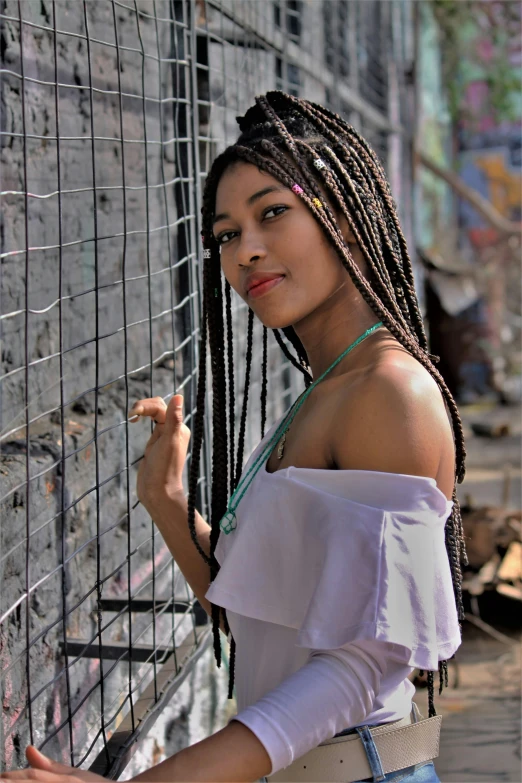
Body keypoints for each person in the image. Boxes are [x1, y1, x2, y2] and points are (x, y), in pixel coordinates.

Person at [8, 92, 467, 783]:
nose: (245, 249)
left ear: (340, 213)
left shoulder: (388, 393)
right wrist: (167, 501)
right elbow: (255, 623)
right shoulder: (328, 388)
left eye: (272, 212)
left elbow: (362, 665)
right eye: (225, 233)